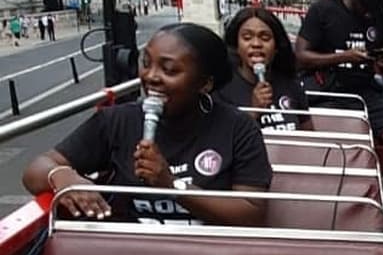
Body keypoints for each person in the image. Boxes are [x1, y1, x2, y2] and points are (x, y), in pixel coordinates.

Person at [22, 23, 272, 226]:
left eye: (170, 70)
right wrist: (61, 175)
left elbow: (251, 213)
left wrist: (172, 184)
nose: (151, 77)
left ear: (205, 83)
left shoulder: (237, 128)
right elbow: (35, 171)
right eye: (146, 63)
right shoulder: (117, 121)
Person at [295, 0, 383, 246]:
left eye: (373, 8)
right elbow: (300, 57)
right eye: (365, 6)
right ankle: (323, 214)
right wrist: (342, 57)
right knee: (333, 150)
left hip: (365, 90)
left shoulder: (378, 13)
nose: (368, 13)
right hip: (324, 90)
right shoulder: (324, 11)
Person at [216, 7, 313, 131]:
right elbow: (222, 140)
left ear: (276, 47)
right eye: (247, 37)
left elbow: (309, 138)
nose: (256, 44)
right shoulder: (222, 90)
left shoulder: (291, 85)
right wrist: (254, 111)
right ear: (236, 46)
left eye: (265, 38)